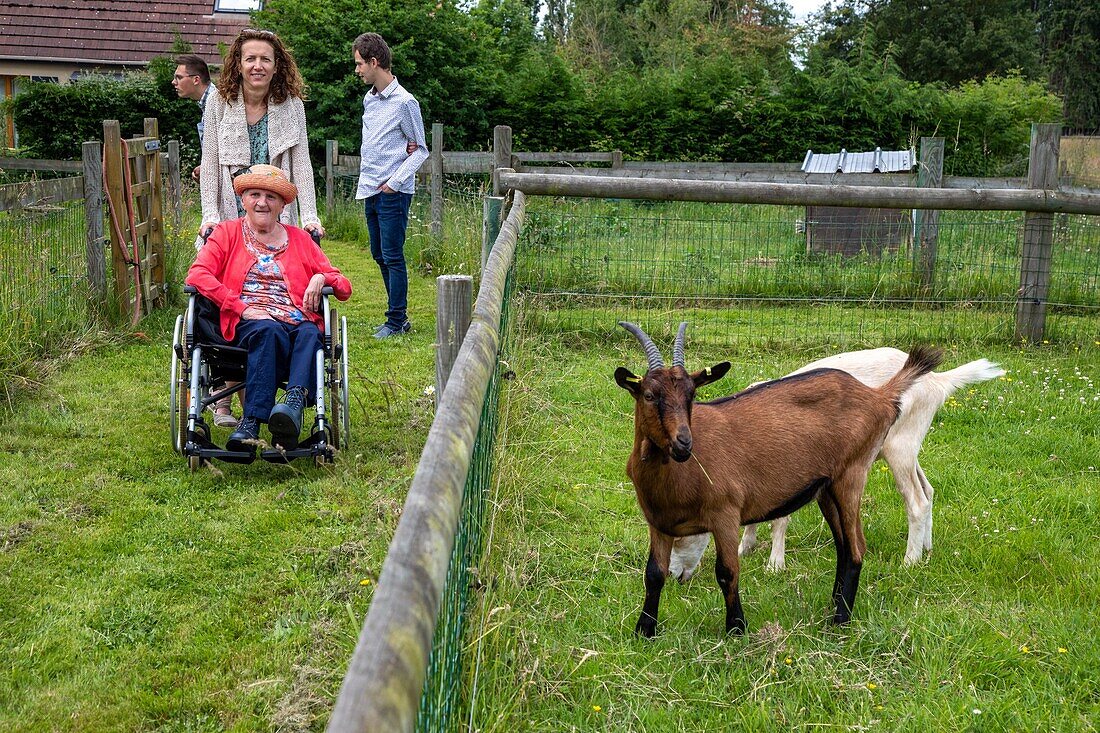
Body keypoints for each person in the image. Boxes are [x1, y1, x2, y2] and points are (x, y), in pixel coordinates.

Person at [199, 27, 325, 425]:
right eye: (250, 58)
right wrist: (211, 216)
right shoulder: (220, 102)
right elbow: (209, 161)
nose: (257, 65)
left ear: (276, 65)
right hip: (230, 209)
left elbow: (301, 164)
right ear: (238, 62)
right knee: (224, 291)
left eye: (265, 59)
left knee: (274, 289)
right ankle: (221, 397)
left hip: (276, 210)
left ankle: (282, 385)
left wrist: (309, 216)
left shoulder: (292, 107)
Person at [186, 165, 351, 454]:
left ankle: (291, 409)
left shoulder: (300, 239)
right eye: (255, 194)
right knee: (269, 329)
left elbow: (344, 286)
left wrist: (321, 276)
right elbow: (197, 276)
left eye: (271, 197)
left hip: (295, 321)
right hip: (249, 323)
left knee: (311, 333)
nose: (262, 202)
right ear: (244, 199)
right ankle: (252, 421)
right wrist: (239, 307)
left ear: (283, 204)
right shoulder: (226, 233)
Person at [352, 32, 429, 339]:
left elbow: (421, 149)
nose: (357, 70)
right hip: (370, 187)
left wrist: (394, 184)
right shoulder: (369, 99)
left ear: (375, 62)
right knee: (378, 254)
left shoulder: (406, 102)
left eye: (359, 64)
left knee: (393, 255)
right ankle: (398, 317)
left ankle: (396, 320)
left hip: (392, 193)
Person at [171, 54, 215, 182]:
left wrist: (208, 168)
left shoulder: (217, 104)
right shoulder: (207, 103)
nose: (173, 82)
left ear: (196, 80)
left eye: (178, 77)